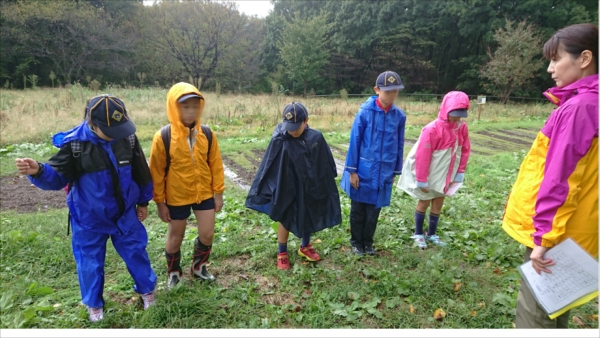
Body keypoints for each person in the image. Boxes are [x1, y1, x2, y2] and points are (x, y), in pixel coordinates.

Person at [15, 95, 157, 322]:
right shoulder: (75, 145)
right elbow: (57, 177)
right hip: (88, 219)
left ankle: (147, 292)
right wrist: (38, 171)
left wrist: (143, 202)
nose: (119, 134)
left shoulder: (127, 138)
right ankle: (94, 306)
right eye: (112, 130)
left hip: (125, 215)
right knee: (89, 263)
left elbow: (141, 171)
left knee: (136, 253)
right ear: (93, 125)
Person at [501, 23, 598, 328]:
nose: (550, 68)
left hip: (558, 235)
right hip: (580, 229)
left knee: (536, 316)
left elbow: (561, 179)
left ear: (584, 58)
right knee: (557, 310)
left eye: (556, 59)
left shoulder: (580, 108)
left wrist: (543, 236)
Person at [246, 102, 342, 270]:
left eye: (296, 127)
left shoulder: (316, 137)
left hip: (310, 186)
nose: (292, 130)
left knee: (307, 213)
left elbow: (325, 161)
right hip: (286, 187)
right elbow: (270, 165)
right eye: (289, 126)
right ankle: (282, 251)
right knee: (286, 216)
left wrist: (327, 179)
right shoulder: (280, 139)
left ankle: (305, 246)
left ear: (306, 121)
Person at [149, 82, 225, 290]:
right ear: (174, 107)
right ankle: (174, 272)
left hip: (204, 194)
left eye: (194, 106)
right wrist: (160, 203)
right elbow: (156, 173)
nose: (191, 111)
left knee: (207, 234)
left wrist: (218, 193)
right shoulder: (163, 137)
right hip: (176, 196)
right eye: (185, 106)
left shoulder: (207, 134)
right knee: (176, 237)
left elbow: (216, 165)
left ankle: (199, 266)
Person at [341, 71, 406, 256]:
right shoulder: (365, 112)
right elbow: (355, 141)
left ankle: (368, 243)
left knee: (373, 211)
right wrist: (352, 171)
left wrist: (395, 170)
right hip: (363, 170)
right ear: (377, 90)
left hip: (384, 171)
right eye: (387, 91)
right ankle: (356, 242)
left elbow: (399, 144)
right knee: (358, 208)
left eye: (395, 91)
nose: (391, 94)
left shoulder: (399, 117)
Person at [397, 91, 471, 249]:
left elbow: (464, 149)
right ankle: (418, 233)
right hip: (431, 172)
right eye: (454, 114)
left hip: (447, 172)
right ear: (445, 110)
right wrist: (422, 179)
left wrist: (459, 173)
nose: (457, 118)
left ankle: (431, 233)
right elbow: (423, 155)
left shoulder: (461, 127)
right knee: (424, 200)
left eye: (460, 115)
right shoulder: (431, 129)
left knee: (439, 201)